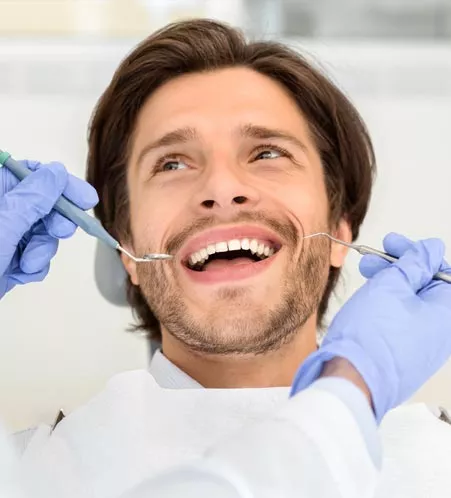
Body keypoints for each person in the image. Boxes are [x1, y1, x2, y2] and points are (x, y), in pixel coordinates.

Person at [1, 18, 451, 498]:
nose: (222, 188)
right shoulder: (27, 474)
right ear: (126, 246)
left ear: (341, 227)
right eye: (171, 163)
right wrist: (351, 385)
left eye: (267, 154)